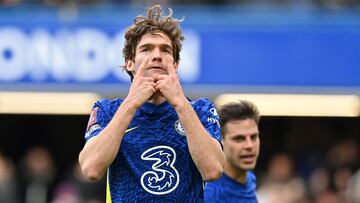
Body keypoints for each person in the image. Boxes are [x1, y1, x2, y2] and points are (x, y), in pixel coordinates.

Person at [78, 5, 225, 202]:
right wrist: (131, 104)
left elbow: (214, 170)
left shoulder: (200, 110)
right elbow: (91, 168)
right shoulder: (107, 110)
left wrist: (180, 103)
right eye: (146, 49)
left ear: (175, 64)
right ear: (130, 62)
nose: (156, 55)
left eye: (165, 50)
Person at [204, 100, 260, 203]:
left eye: (253, 137)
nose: (249, 146)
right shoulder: (211, 195)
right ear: (221, 141)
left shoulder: (250, 178)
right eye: (239, 139)